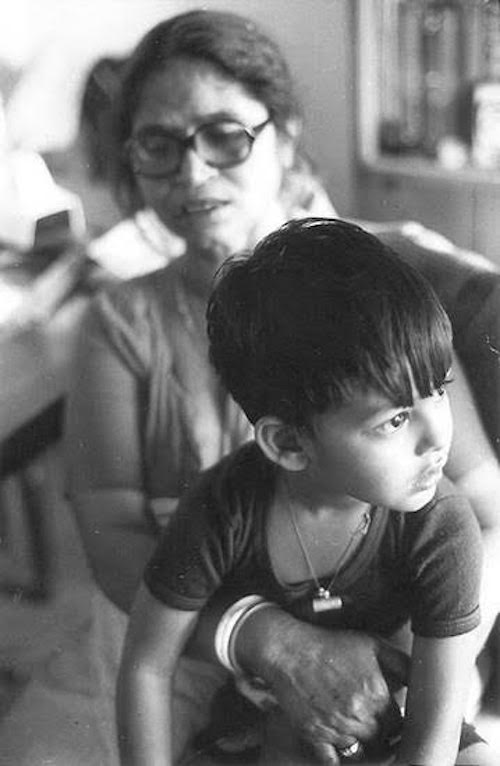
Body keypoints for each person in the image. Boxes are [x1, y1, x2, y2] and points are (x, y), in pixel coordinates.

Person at [65, 9, 500, 766]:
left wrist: (404, 660)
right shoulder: (118, 325)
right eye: (159, 146)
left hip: (408, 645)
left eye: (225, 136)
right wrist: (267, 637)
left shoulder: (374, 290)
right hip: (204, 640)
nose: (193, 173)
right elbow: (114, 543)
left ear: (286, 134)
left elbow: (484, 509)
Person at [117, 218, 497, 766]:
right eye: (393, 421)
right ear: (289, 443)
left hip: (399, 723)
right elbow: (146, 665)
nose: (438, 437)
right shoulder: (223, 507)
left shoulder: (443, 526)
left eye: (438, 391)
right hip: (265, 723)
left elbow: (432, 739)